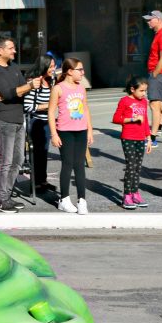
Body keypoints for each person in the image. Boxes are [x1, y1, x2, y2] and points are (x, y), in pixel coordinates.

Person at [0, 36, 41, 213]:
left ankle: (5, 196)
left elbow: (17, 92)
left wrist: (18, 91)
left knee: (18, 160)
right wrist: (23, 88)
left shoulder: (14, 68)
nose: (14, 51)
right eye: (11, 48)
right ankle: (0, 199)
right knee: (6, 161)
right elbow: (8, 94)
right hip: (3, 120)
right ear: (0, 50)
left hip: (18, 118)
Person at [48, 58, 94, 214]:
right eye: (79, 69)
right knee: (68, 164)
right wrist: (54, 134)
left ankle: (82, 200)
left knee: (79, 164)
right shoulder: (58, 88)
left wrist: (89, 130)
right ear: (69, 71)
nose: (83, 72)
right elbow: (51, 111)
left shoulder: (81, 88)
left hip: (81, 130)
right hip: (65, 131)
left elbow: (85, 109)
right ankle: (64, 198)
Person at [111, 76, 152, 210]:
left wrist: (149, 137)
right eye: (141, 91)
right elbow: (116, 118)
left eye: (145, 91)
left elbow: (145, 120)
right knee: (131, 166)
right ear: (132, 89)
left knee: (138, 167)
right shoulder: (125, 101)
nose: (144, 94)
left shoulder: (144, 102)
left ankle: (135, 193)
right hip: (128, 137)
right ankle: (127, 195)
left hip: (141, 138)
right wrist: (132, 119)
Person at [23, 55, 56, 194]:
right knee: (37, 153)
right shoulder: (34, 83)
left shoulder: (52, 81)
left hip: (48, 121)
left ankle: (43, 181)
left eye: (54, 65)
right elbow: (28, 106)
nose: (54, 69)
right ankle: (35, 183)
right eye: (51, 66)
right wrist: (48, 105)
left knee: (44, 153)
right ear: (43, 66)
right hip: (36, 122)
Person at [143, 10, 162, 147]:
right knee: (159, 105)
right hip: (159, 74)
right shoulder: (159, 34)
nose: (148, 22)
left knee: (154, 106)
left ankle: (152, 138)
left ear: (158, 19)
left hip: (159, 74)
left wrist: (154, 74)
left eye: (150, 19)